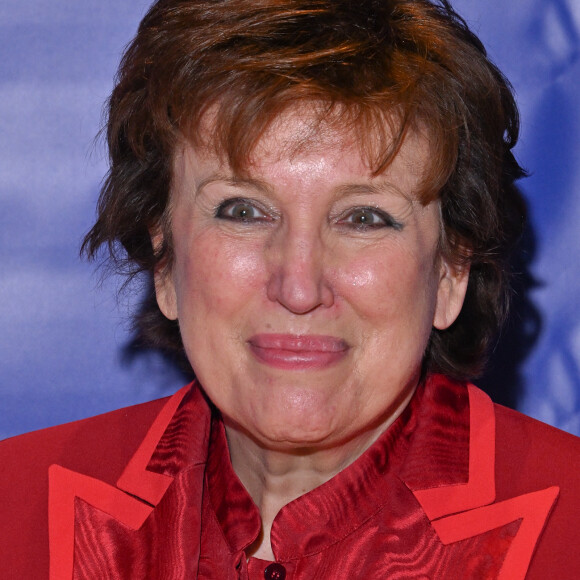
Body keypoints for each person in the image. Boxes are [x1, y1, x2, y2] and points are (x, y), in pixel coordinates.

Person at [1, 0, 579, 578]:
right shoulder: (12, 507)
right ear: (164, 262)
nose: (299, 286)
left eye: (364, 219)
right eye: (243, 210)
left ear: (451, 271)